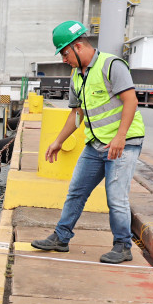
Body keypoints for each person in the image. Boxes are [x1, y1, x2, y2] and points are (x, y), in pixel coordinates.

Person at [31, 20, 145, 264]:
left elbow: (131, 101)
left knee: (116, 197)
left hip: (123, 143)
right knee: (76, 191)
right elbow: (77, 114)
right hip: (95, 145)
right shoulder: (77, 76)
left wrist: (120, 137)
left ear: (79, 46)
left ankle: (122, 246)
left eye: (64, 53)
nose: (63, 59)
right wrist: (58, 141)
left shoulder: (111, 65)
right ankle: (61, 238)